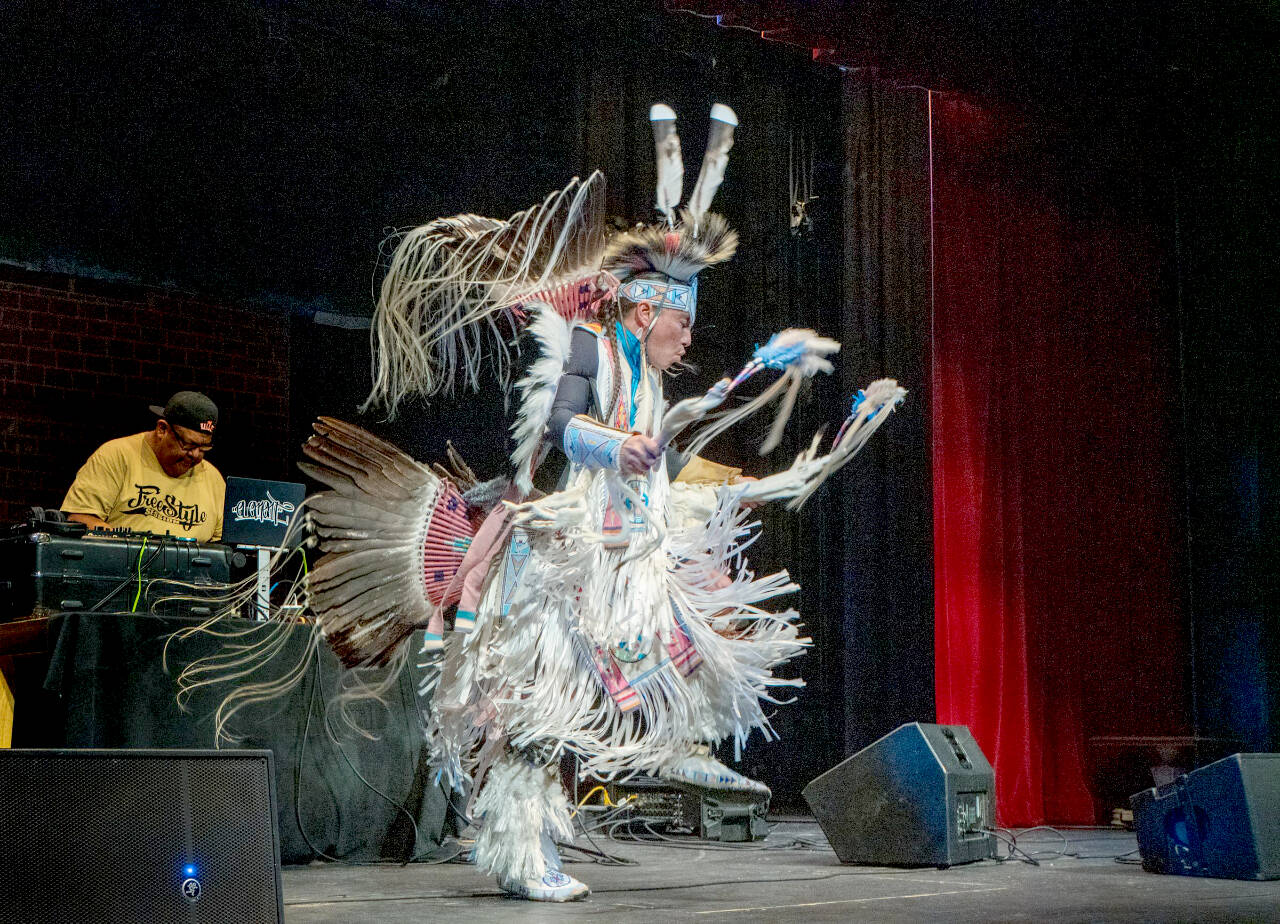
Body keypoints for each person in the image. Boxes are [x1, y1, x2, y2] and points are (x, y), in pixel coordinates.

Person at [62, 390, 225, 541]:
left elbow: (224, 544)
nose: (196, 455)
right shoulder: (116, 456)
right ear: (162, 429)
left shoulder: (213, 479)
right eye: (188, 444)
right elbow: (80, 517)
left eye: (203, 448)